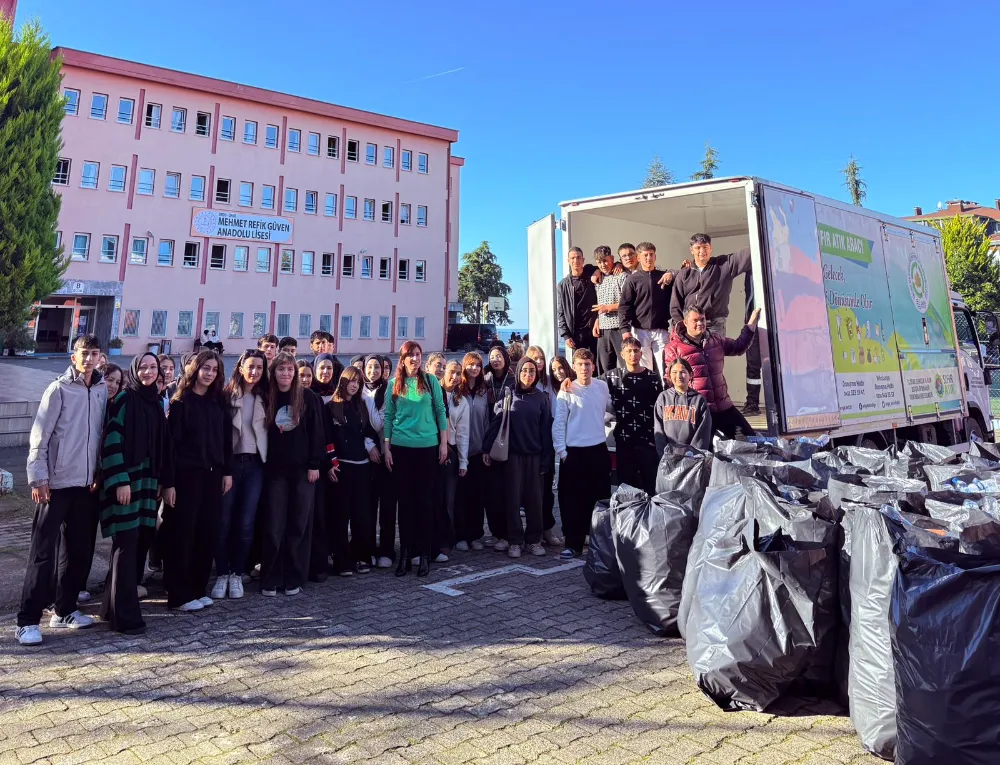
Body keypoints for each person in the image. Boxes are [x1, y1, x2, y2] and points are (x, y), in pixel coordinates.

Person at [17, 335, 107, 646]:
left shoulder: (101, 389)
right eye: (84, 353)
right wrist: (38, 477)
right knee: (44, 553)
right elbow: (39, 436)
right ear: (74, 356)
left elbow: (98, 435)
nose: (88, 359)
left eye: (94, 353)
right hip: (55, 485)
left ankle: (65, 609)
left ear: (99, 357)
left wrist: (97, 471)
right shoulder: (58, 390)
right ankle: (27, 619)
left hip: (85, 486)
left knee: (80, 551)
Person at [99, 352, 174, 634]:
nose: (148, 372)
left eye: (153, 367)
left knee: (137, 543)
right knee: (126, 546)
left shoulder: (154, 401)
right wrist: (119, 480)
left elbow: (163, 445)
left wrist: (164, 482)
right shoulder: (125, 399)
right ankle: (125, 616)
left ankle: (109, 607)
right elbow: (112, 439)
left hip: (146, 485)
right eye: (142, 367)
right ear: (134, 370)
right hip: (126, 483)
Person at [162, 350, 232, 612]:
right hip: (186, 477)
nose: (210, 374)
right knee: (183, 534)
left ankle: (197, 588)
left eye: (214, 370)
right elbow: (171, 447)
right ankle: (179, 594)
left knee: (207, 531)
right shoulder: (181, 402)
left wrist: (227, 471)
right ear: (195, 370)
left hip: (213, 475)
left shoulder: (218, 401)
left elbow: (226, 440)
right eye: (205, 368)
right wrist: (168, 483)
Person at [669, 233, 761, 415]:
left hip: (714, 324)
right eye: (697, 248)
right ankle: (692, 405)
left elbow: (749, 253)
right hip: (689, 327)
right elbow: (675, 304)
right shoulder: (684, 274)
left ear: (711, 248)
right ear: (691, 250)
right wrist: (679, 327)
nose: (701, 251)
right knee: (690, 367)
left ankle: (715, 407)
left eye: (705, 247)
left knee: (712, 366)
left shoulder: (724, 265)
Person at [261, 353, 324, 596]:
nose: (285, 374)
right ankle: (271, 576)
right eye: (281, 369)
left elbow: (317, 432)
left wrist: (314, 464)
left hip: (302, 471)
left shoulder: (307, 397)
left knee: (299, 524)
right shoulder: (267, 395)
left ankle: (293, 576)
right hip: (275, 471)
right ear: (274, 372)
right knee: (274, 524)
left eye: (289, 370)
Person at [383, 341, 448, 577]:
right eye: (410, 355)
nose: (414, 359)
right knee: (406, 505)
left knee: (424, 503)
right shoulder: (394, 384)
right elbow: (389, 417)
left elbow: (440, 411)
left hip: (427, 449)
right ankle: (405, 555)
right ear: (402, 359)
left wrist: (443, 443)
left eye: (418, 354)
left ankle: (425, 554)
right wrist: (387, 448)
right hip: (401, 449)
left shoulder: (431, 382)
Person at [213, 349, 268, 600]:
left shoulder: (266, 396)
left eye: (259, 367)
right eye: (250, 366)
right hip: (231, 464)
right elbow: (221, 437)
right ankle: (222, 572)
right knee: (224, 520)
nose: (254, 371)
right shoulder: (226, 396)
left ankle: (237, 572)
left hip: (256, 465)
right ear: (241, 367)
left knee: (246, 521)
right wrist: (225, 468)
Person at [485, 357, 552, 559]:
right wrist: (487, 448)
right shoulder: (508, 394)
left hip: (534, 456)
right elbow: (495, 421)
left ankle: (533, 540)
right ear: (518, 372)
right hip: (512, 456)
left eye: (532, 371)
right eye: (525, 370)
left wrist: (546, 459)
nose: (528, 374)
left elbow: (546, 429)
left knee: (534, 501)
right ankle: (515, 540)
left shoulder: (541, 398)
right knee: (512, 500)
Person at [663, 305, 761, 439]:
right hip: (699, 410)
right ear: (685, 322)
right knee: (703, 453)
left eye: (702, 319)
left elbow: (739, 347)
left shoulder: (715, 340)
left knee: (751, 440)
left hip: (724, 406)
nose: (700, 323)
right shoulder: (673, 348)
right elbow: (670, 381)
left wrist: (752, 324)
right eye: (695, 320)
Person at [552, 349, 611, 559]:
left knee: (599, 500)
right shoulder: (566, 390)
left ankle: (597, 542)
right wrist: (562, 452)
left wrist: (600, 426)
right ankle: (572, 544)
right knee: (572, 502)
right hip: (573, 453)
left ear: (593, 366)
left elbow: (609, 410)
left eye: (587, 364)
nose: (584, 368)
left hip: (598, 450)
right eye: (580, 364)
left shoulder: (602, 387)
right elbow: (558, 423)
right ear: (574, 367)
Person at [325, 366, 378, 576]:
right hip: (341, 468)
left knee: (361, 515)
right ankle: (341, 560)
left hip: (361, 468)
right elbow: (327, 438)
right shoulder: (331, 407)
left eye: (358, 382)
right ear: (343, 382)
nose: (354, 385)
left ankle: (361, 557)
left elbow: (368, 432)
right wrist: (331, 462)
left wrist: (371, 446)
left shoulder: (362, 405)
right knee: (340, 516)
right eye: (351, 381)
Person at [599, 336, 662, 495]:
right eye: (629, 351)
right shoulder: (612, 377)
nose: (633, 354)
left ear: (641, 354)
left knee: (651, 488)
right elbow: (588, 385)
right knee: (626, 490)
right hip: (624, 442)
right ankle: (628, 519)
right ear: (622, 354)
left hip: (648, 442)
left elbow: (660, 409)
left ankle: (650, 519)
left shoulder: (653, 378)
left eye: (636, 351)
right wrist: (569, 384)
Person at [618, 242, 675, 378]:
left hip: (661, 330)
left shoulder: (664, 276)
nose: (648, 258)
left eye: (651, 255)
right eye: (645, 255)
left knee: (666, 369)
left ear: (655, 256)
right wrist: (625, 330)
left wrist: (672, 273)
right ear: (638, 258)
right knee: (644, 369)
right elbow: (624, 306)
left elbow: (681, 277)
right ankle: (647, 398)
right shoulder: (632, 280)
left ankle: (665, 398)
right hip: (640, 331)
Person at [455, 352, 492, 552]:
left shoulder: (483, 392)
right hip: (460, 451)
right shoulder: (457, 391)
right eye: (471, 365)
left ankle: (475, 535)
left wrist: (486, 448)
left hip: (478, 451)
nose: (474, 368)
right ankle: (460, 535)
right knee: (460, 496)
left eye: (478, 365)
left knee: (477, 496)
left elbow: (487, 421)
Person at [525, 346, 562, 546]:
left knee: (547, 489)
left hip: (547, 441)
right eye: (534, 359)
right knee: (529, 491)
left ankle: (547, 528)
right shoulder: (522, 383)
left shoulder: (549, 383)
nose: (538, 363)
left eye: (541, 359)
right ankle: (531, 531)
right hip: (528, 442)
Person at [361, 355, 394, 568]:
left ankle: (387, 550)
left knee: (388, 506)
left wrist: (368, 400)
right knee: (368, 507)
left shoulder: (388, 390)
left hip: (386, 454)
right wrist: (368, 444)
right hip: (365, 456)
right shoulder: (357, 388)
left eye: (378, 367)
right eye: (370, 366)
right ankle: (367, 549)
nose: (374, 370)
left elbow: (379, 422)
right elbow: (355, 424)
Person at [483, 344, 514, 551]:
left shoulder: (513, 380)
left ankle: (508, 533)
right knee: (491, 492)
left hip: (506, 440)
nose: (495, 359)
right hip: (486, 439)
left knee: (507, 491)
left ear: (505, 358)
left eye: (499, 356)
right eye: (492, 356)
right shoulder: (484, 380)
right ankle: (496, 532)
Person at [424, 352, 451, 561]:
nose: (441, 369)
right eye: (437, 365)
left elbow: (444, 420)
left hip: (436, 449)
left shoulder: (439, 390)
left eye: (443, 365)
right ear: (428, 366)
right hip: (418, 447)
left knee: (437, 499)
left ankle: (437, 545)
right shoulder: (419, 386)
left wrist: (444, 445)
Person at [654, 358, 713, 454]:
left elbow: (703, 433)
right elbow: (658, 430)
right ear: (669, 375)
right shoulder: (663, 398)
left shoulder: (699, 400)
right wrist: (664, 454)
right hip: (668, 457)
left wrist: (693, 455)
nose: (679, 376)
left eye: (683, 372)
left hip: (691, 458)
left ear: (691, 374)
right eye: (674, 372)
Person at [441, 361, 469, 557]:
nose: (455, 377)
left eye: (459, 373)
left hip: (451, 452)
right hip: (429, 450)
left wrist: (463, 461)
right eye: (452, 372)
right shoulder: (433, 394)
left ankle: (446, 539)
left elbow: (463, 434)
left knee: (449, 500)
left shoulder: (462, 401)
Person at [592, 246, 628, 375]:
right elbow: (600, 305)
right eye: (599, 262)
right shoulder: (598, 279)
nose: (603, 264)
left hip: (620, 328)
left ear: (612, 259)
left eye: (605, 260)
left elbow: (628, 303)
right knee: (604, 368)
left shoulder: (622, 276)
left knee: (626, 365)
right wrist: (597, 320)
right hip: (603, 331)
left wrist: (608, 308)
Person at [557, 247, 599, 358]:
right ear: (568, 260)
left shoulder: (592, 276)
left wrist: (618, 264)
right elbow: (560, 312)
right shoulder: (563, 285)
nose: (576, 261)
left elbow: (606, 265)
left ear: (583, 260)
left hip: (596, 329)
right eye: (573, 258)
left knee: (599, 365)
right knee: (581, 366)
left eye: (579, 257)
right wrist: (565, 335)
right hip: (577, 333)